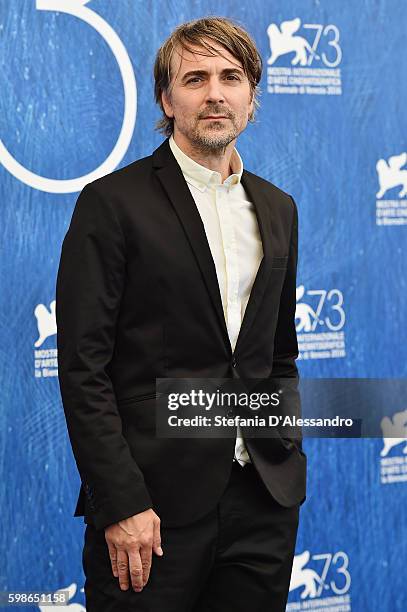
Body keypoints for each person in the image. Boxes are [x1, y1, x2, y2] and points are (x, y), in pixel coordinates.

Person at [56, 16, 307, 612]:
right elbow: (83, 368)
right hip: (152, 511)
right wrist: (121, 502)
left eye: (231, 77)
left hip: (263, 503)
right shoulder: (112, 204)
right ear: (167, 100)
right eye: (195, 78)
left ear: (252, 97)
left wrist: (285, 449)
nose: (215, 93)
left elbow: (279, 353)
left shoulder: (278, 208)